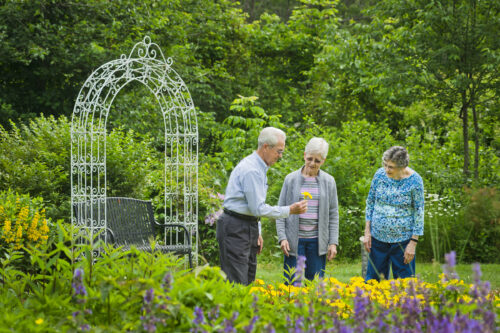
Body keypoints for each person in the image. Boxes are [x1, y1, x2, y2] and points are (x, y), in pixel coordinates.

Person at [216, 127, 308, 285]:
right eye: (278, 151)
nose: (280, 156)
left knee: (249, 278)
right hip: (235, 227)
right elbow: (257, 208)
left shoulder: (260, 167)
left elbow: (252, 207)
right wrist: (290, 210)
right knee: (237, 281)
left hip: (246, 224)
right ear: (266, 147)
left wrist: (256, 231)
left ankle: (246, 309)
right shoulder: (251, 170)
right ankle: (235, 309)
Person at [276, 137, 339, 283]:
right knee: (292, 283)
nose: (312, 163)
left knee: (315, 285)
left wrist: (333, 242)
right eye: (310, 158)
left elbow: (333, 214)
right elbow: (280, 211)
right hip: (294, 241)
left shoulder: (329, 181)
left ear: (323, 160)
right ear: (304, 155)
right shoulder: (290, 179)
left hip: (317, 242)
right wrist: (282, 238)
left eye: (317, 161)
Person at [363, 146, 424, 281]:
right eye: (385, 165)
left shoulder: (415, 181)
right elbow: (370, 202)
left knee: (405, 285)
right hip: (377, 239)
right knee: (373, 282)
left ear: (402, 166)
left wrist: (413, 243)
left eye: (391, 167)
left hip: (403, 241)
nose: (386, 169)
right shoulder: (379, 175)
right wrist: (367, 232)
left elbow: (419, 212)